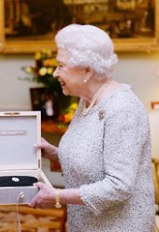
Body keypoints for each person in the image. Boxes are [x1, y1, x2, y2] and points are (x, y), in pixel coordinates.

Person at [29, 24, 155, 231]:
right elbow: (95, 158)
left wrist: (58, 196)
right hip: (86, 224)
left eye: (61, 66)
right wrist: (54, 153)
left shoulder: (122, 109)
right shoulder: (87, 101)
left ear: (87, 70)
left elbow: (118, 186)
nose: (55, 73)